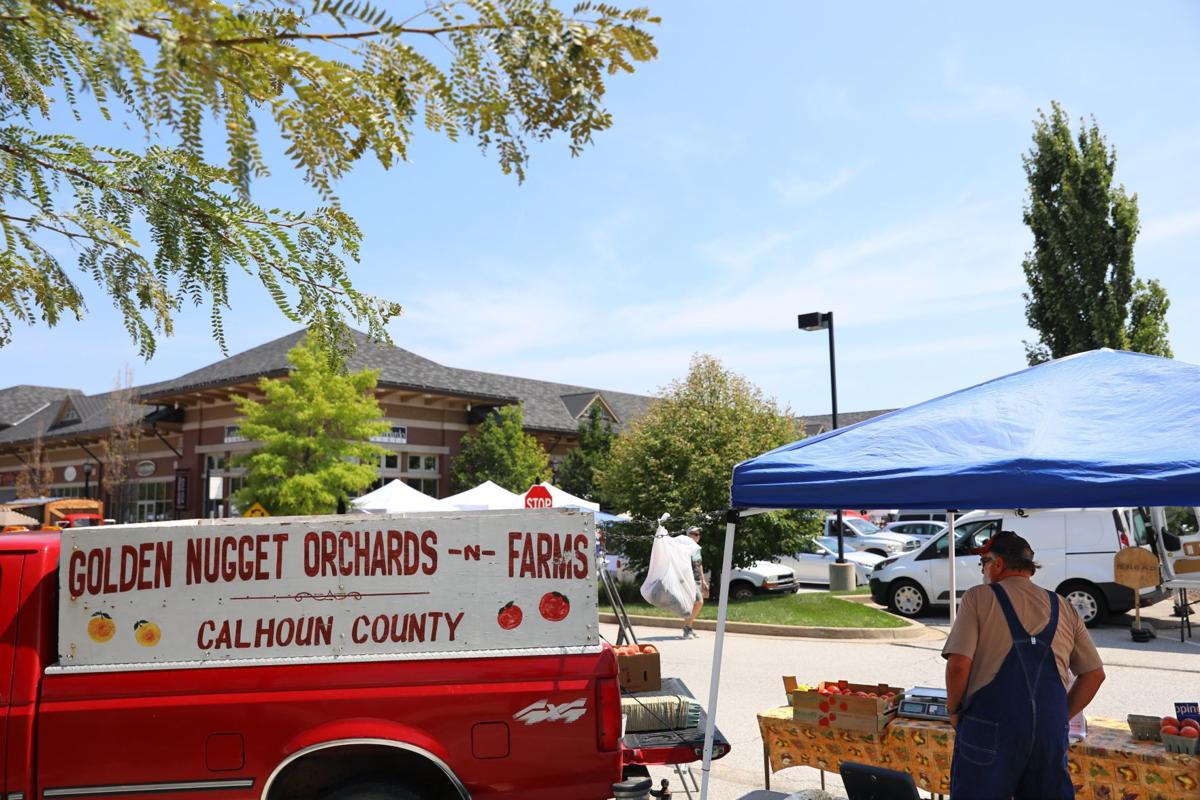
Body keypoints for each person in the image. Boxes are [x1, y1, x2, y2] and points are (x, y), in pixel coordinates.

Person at [943, 531, 1106, 800]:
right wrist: (1058, 716)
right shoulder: (1063, 605)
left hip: (987, 728)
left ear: (997, 564)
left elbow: (959, 665)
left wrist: (953, 710)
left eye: (983, 562)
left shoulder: (978, 597)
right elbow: (1094, 675)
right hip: (1048, 731)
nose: (982, 570)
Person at [679, 526, 707, 639]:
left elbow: (699, 564)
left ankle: (688, 628)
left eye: (698, 534)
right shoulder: (683, 548)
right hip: (688, 579)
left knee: (693, 605)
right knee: (699, 601)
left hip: (697, 579)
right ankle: (687, 628)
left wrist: (703, 579)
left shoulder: (696, 549)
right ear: (688, 535)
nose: (697, 536)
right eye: (694, 533)